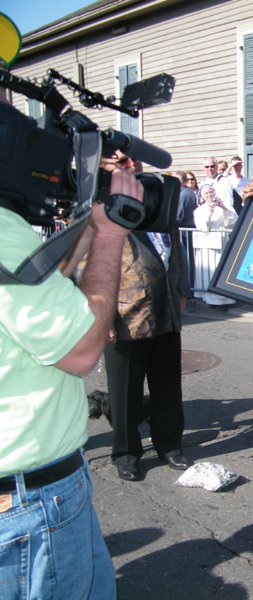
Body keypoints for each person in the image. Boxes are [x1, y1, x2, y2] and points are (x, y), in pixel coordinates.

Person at [1, 145, 143, 597]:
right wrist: (111, 236)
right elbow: (81, 351)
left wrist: (90, 223)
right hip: (29, 500)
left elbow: (43, 281)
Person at [104, 155, 192, 482]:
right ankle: (126, 453)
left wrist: (182, 289)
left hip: (166, 313)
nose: (132, 168)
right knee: (125, 391)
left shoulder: (161, 210)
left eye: (135, 163)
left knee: (167, 386)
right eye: (123, 163)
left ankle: (169, 444)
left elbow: (178, 254)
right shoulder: (105, 213)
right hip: (125, 318)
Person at [193, 184, 238, 307]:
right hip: (207, 246)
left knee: (223, 270)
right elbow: (201, 226)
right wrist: (209, 213)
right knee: (209, 271)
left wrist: (223, 207)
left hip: (222, 243)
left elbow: (234, 221)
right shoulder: (199, 210)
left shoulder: (224, 205)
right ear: (202, 196)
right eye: (206, 193)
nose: (209, 195)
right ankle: (211, 300)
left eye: (210, 192)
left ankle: (227, 299)